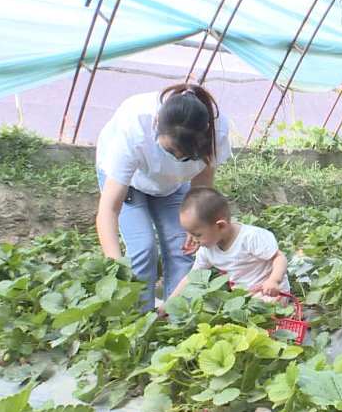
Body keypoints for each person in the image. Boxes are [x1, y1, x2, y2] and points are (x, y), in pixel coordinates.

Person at [95, 84, 232, 311]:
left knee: (183, 247)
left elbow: (202, 184)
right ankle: (137, 322)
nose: (176, 158)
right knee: (142, 249)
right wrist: (115, 267)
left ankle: (177, 319)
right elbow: (108, 211)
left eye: (185, 156)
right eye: (169, 151)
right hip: (130, 180)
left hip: (173, 184)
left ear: (206, 130)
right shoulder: (135, 126)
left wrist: (194, 224)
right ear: (157, 121)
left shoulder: (217, 132)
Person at [158, 186, 290, 318]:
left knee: (264, 315)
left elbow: (279, 258)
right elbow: (191, 277)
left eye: (198, 235)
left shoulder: (251, 238)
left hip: (271, 293)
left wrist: (274, 280)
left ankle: (284, 314)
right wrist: (169, 303)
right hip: (244, 300)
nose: (194, 240)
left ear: (220, 226)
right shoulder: (207, 250)